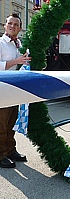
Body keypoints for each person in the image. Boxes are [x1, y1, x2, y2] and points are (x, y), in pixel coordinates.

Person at [0, 13, 31, 168]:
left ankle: (10, 150)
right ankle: (0, 155)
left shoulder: (16, 44)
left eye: (16, 24)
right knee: (2, 124)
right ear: (5, 26)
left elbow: (20, 65)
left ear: (20, 28)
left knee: (11, 121)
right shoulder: (0, 43)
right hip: (2, 90)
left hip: (14, 90)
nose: (13, 26)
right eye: (10, 23)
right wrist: (16, 61)